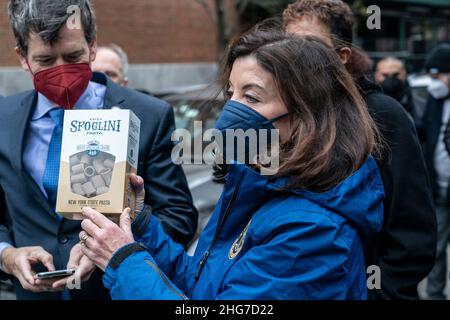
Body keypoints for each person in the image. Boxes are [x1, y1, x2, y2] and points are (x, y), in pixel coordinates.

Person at [78, 29, 384, 300]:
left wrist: (123, 260)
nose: (230, 109)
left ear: (306, 114)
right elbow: (197, 282)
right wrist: (141, 223)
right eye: (231, 93)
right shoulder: (255, 187)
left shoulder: (313, 229)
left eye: (250, 97)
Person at [0, 0, 197, 300]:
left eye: (73, 55)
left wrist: (112, 248)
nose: (61, 71)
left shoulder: (149, 115)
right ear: (23, 58)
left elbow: (179, 217)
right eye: (45, 60)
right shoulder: (3, 118)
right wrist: (7, 255)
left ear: (92, 46)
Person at [283, 0, 436, 300]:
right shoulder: (284, 116)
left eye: (310, 44)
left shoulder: (381, 114)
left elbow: (413, 231)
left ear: (342, 56)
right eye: (288, 43)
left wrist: (380, 293)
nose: (296, 55)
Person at [422, 44, 450, 300]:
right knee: (437, 248)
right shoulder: (435, 100)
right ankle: (434, 295)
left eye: (438, 76)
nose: (435, 83)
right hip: (439, 190)